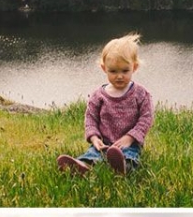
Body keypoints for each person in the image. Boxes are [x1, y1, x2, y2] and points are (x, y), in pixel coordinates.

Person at [57, 32, 154, 175]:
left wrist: (130, 137)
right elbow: (91, 118)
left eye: (125, 71)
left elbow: (146, 118)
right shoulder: (98, 95)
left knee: (130, 157)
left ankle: (123, 167)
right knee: (92, 154)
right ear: (104, 69)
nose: (119, 76)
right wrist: (94, 138)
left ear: (134, 67)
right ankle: (82, 167)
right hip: (104, 142)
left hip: (129, 143)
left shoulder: (141, 94)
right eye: (113, 71)